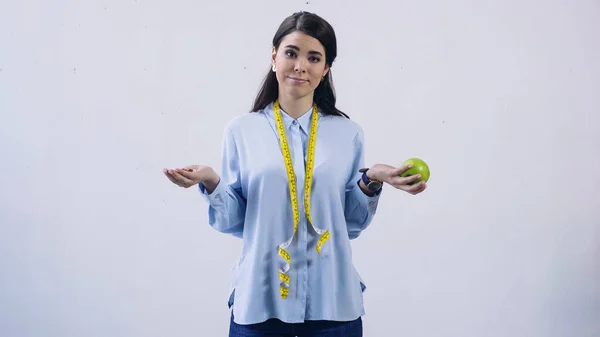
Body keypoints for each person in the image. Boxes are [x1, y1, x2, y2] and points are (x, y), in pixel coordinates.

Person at [164, 11, 427, 337]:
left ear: (325, 69)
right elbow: (236, 221)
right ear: (274, 57)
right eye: (291, 53)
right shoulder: (241, 131)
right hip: (262, 304)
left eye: (314, 58)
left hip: (332, 305)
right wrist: (211, 182)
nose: (301, 65)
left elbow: (350, 223)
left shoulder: (348, 134)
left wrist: (370, 180)